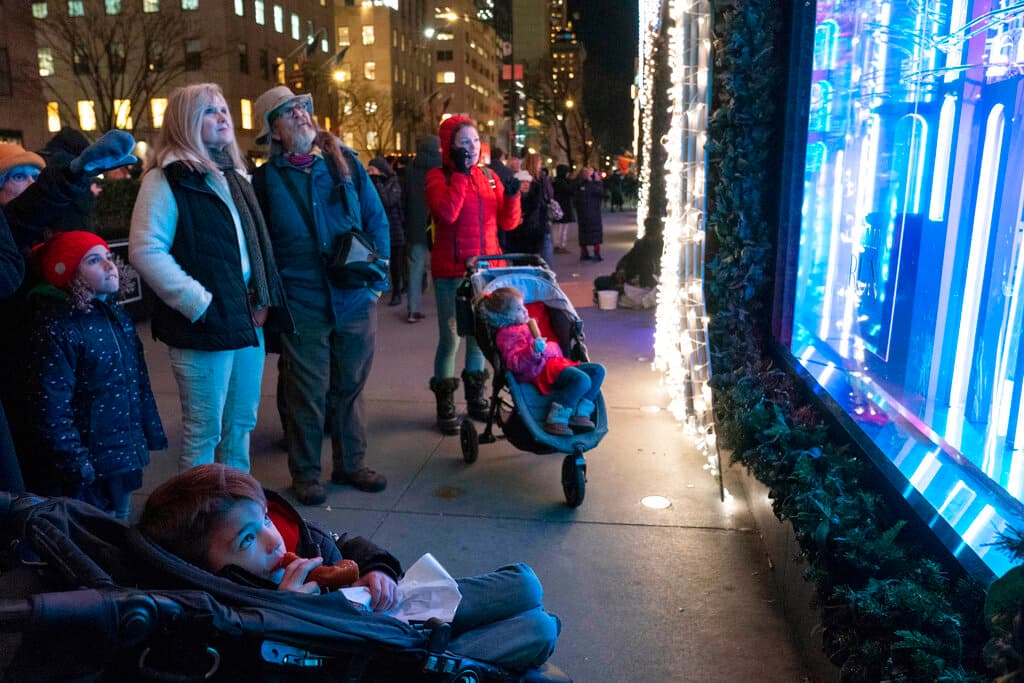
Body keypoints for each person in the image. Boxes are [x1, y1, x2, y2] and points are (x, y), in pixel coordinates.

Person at [137, 463, 564, 678]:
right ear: (205, 570)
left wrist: (377, 571)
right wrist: (289, 614)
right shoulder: (236, 620)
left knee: (525, 583)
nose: (273, 540)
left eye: (264, 519)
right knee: (539, 628)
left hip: (391, 611)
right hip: (390, 657)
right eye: (247, 540)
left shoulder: (295, 543)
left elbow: (343, 543)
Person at [129, 83, 288, 475]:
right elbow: (146, 250)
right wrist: (199, 303)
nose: (222, 117)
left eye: (223, 109)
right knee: (205, 431)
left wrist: (262, 297)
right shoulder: (167, 178)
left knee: (240, 424)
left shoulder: (235, 175)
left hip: (247, 317)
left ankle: (234, 502)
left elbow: (251, 248)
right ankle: (197, 510)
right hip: (204, 324)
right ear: (185, 121)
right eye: (209, 111)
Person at [251, 86, 389, 505]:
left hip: (354, 296)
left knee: (350, 386)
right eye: (287, 111)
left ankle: (351, 464)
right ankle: (307, 474)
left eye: (301, 107)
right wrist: (267, 297)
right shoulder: (266, 180)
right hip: (302, 301)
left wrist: (377, 282)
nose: (299, 114)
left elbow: (376, 219)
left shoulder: (344, 163)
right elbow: (260, 245)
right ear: (273, 131)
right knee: (307, 393)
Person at [25, 231, 166, 519]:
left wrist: (146, 434)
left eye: (108, 256)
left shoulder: (116, 316)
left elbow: (138, 383)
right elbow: (51, 405)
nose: (109, 265)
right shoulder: (59, 328)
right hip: (88, 466)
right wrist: (75, 461)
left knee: (121, 522)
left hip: (123, 456)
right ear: (68, 273)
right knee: (95, 531)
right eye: (92, 260)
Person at [425, 116, 521, 434]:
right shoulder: (438, 177)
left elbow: (508, 224)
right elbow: (447, 213)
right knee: (450, 339)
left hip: (487, 273)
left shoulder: (489, 177)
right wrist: (461, 175)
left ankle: (475, 398)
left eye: (476, 140)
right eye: (464, 141)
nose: (473, 147)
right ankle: (445, 403)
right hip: (452, 272)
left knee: (480, 340)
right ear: (450, 146)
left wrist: (513, 196)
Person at [479, 286, 604, 436]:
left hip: (553, 362)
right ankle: (556, 418)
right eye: (518, 309)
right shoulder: (507, 335)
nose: (525, 310)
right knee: (582, 380)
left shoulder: (524, 326)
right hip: (540, 371)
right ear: (505, 316)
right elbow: (515, 363)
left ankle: (580, 412)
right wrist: (532, 350)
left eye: (523, 306)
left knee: (598, 371)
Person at [402, 135, 441, 324]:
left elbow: (404, 199)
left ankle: (413, 309)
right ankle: (445, 307)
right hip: (437, 225)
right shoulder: (441, 167)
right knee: (441, 268)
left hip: (416, 225)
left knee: (415, 268)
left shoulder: (411, 169)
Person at [367, 157, 406, 307]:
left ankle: (396, 292)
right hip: (377, 229)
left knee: (395, 263)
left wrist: (377, 183)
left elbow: (388, 202)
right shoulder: (370, 183)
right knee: (376, 260)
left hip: (393, 228)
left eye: (372, 170)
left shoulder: (393, 182)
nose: (370, 173)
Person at [505, 153, 554, 266]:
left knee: (542, 265)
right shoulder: (514, 195)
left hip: (536, 234)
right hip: (521, 237)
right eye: (523, 182)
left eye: (528, 182)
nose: (526, 185)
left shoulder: (536, 191)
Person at [573, 166, 604, 262]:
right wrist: (598, 182)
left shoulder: (578, 185)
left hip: (582, 213)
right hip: (594, 213)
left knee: (583, 233)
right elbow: (601, 193)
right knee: (595, 233)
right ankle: (596, 253)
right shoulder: (593, 185)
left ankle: (584, 252)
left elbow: (575, 199)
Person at [551, 165, 576, 255]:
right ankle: (560, 246)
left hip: (558, 208)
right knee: (561, 228)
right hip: (563, 208)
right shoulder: (562, 182)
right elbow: (570, 191)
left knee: (557, 228)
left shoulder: (555, 181)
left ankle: (558, 245)